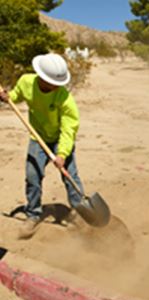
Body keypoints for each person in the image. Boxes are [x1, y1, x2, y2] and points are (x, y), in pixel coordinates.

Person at [0, 53, 84, 238]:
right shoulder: (26, 82)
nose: (56, 85)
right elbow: (16, 95)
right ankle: (33, 214)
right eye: (53, 82)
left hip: (60, 140)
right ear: (42, 77)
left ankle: (80, 212)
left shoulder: (64, 98)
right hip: (37, 138)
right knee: (33, 176)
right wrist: (8, 96)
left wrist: (61, 154)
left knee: (70, 176)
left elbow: (69, 129)